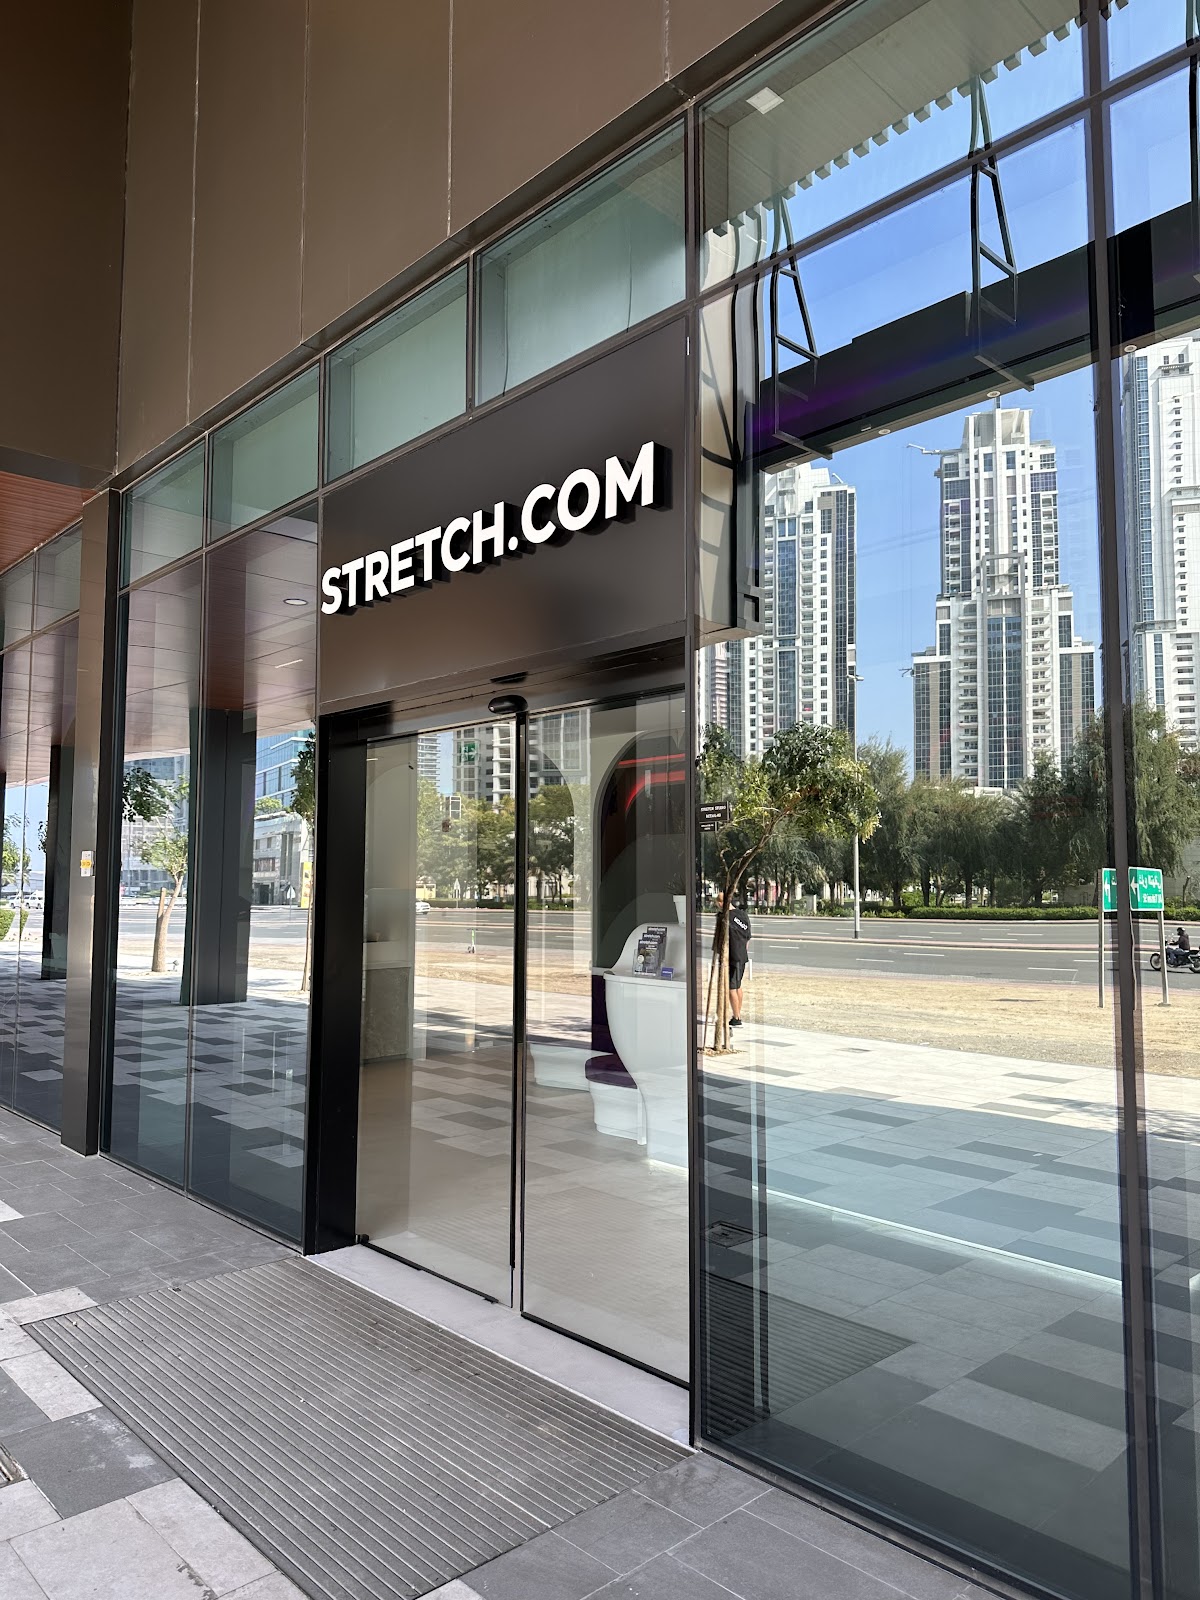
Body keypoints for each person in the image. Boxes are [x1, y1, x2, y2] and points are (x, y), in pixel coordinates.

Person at [714, 891, 753, 1027]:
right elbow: (748, 938)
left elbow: (720, 940)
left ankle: (737, 1018)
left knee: (731, 987)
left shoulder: (724, 918)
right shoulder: (743, 915)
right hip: (742, 955)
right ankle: (737, 1015)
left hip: (731, 956)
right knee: (738, 986)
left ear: (721, 903)